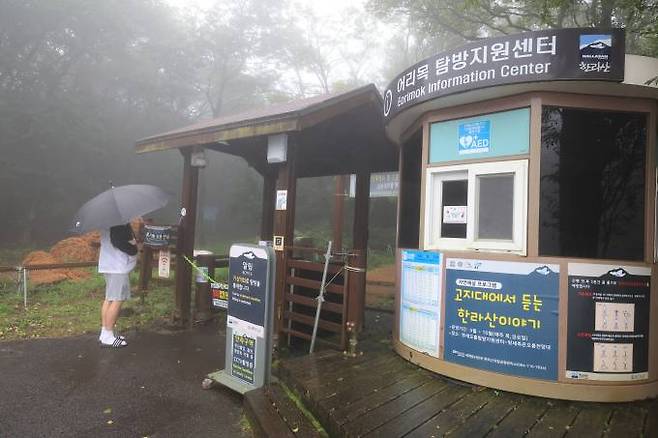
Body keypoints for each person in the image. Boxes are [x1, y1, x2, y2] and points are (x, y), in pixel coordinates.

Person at [98, 223, 138, 348]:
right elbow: (118, 242)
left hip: (108, 264)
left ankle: (105, 332)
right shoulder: (118, 222)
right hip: (118, 266)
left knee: (109, 298)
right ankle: (108, 336)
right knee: (117, 299)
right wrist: (134, 249)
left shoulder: (105, 219)